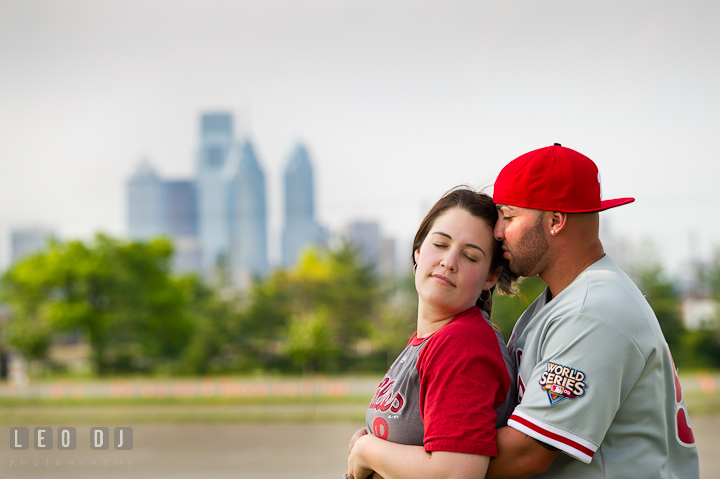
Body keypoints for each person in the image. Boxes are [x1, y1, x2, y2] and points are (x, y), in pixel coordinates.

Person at [485, 144, 700, 479]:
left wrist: (404, 465)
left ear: (555, 220)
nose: (497, 231)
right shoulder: (567, 299)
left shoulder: (593, 310)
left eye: (509, 216)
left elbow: (526, 454)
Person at [346, 187, 520, 479]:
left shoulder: (463, 344)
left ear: (490, 277)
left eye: (470, 256)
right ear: (418, 250)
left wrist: (367, 450)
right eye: (440, 244)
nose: (449, 262)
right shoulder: (431, 340)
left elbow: (456, 472)